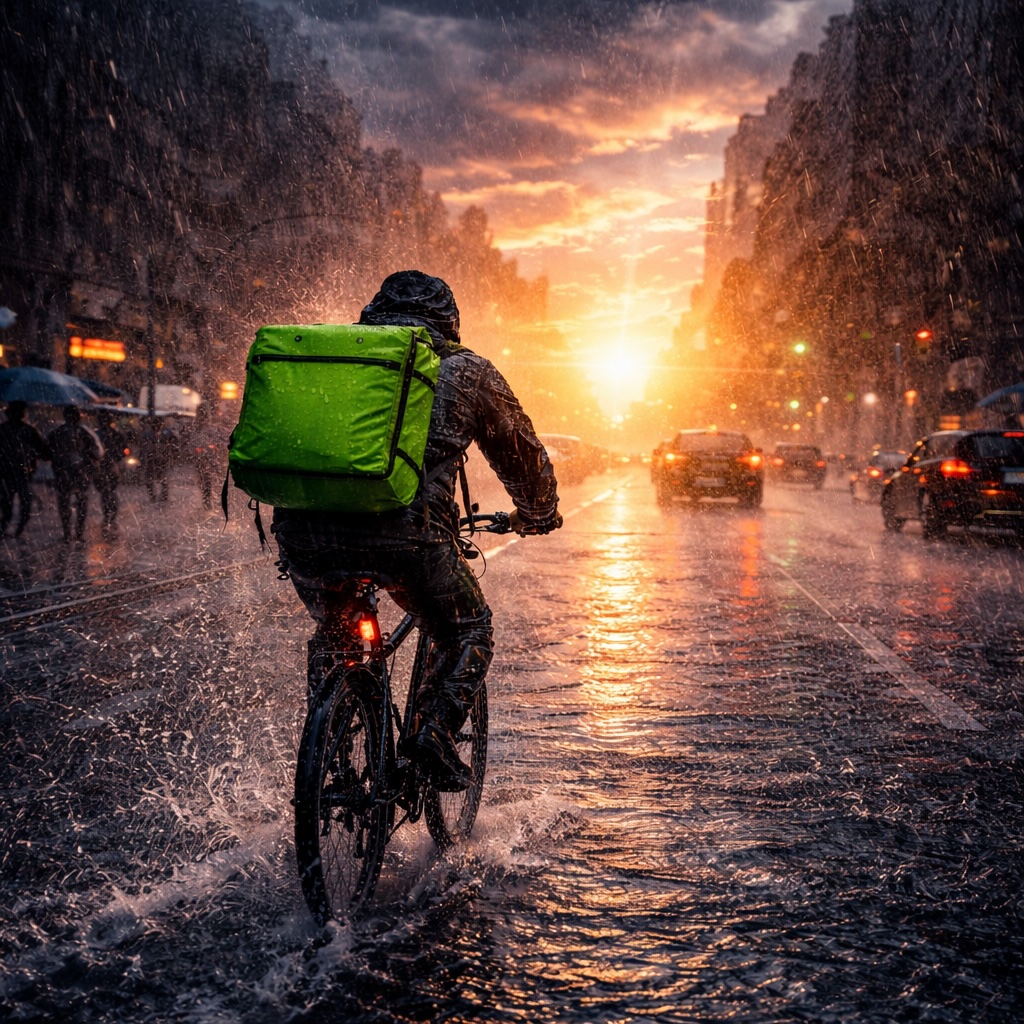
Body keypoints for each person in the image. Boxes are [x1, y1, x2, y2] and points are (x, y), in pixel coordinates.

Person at [272, 270, 562, 790]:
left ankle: (330, 747)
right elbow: (522, 455)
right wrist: (537, 513)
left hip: (305, 535)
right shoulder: (465, 369)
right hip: (409, 540)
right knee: (468, 628)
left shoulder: (338, 359)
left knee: (336, 632)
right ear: (449, 322)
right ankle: (434, 733)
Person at [47, 404, 100, 542]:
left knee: (65, 503)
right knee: (80, 502)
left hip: (65, 473)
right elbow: (96, 452)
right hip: (79, 473)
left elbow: (47, 452)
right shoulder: (84, 433)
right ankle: (78, 533)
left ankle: (67, 533)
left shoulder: (57, 432)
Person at [0, 400, 51, 538]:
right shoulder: (28, 431)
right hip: (18, 475)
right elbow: (45, 453)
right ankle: (15, 532)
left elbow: (44, 453)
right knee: (21, 508)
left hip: (9, 475)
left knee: (8, 509)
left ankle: (8, 531)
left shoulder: (4, 430)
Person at [92, 411, 126, 538]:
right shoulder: (114, 434)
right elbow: (124, 450)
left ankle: (108, 516)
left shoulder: (96, 435)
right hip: (109, 467)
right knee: (109, 492)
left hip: (104, 467)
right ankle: (110, 516)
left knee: (106, 492)